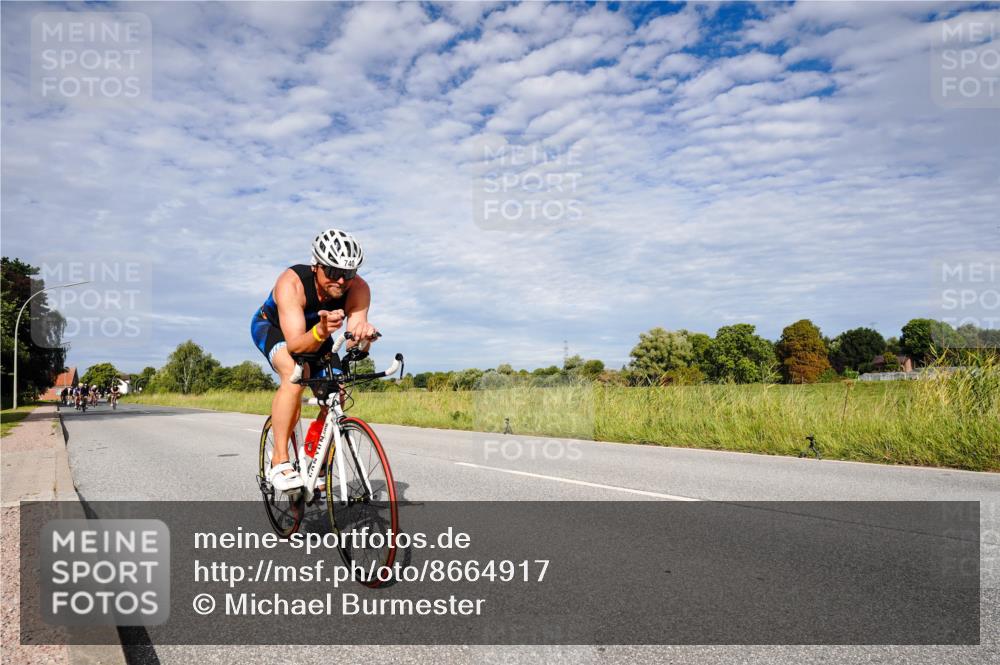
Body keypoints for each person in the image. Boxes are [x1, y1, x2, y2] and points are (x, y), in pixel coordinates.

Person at [250, 229, 379, 492]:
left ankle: (312, 457)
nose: (341, 280)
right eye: (333, 272)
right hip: (274, 328)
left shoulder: (359, 288)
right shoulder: (291, 282)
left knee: (337, 391)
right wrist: (320, 330)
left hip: (321, 332)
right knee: (295, 373)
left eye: (349, 273)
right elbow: (296, 343)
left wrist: (364, 338)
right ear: (316, 265)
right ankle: (279, 461)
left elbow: (354, 338)